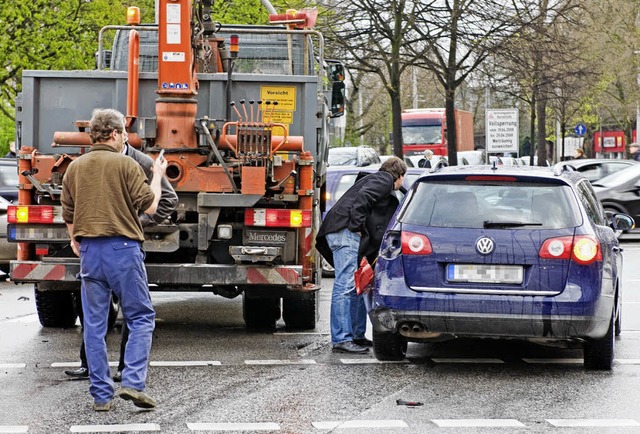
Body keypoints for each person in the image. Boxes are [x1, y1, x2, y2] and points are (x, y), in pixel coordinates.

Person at [61, 108, 167, 411]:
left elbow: (68, 212)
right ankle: (133, 382)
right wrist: (157, 176)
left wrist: (75, 239)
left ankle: (101, 396)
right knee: (141, 317)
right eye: (123, 133)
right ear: (116, 134)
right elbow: (150, 206)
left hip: (89, 252)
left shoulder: (75, 168)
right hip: (123, 250)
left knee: (94, 326)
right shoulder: (126, 164)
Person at [316, 157, 407, 353]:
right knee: (345, 285)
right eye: (402, 180)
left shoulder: (378, 179)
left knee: (357, 285)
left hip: (342, 232)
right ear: (399, 175)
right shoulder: (384, 180)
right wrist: (356, 226)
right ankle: (341, 339)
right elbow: (364, 198)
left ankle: (356, 335)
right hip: (345, 233)